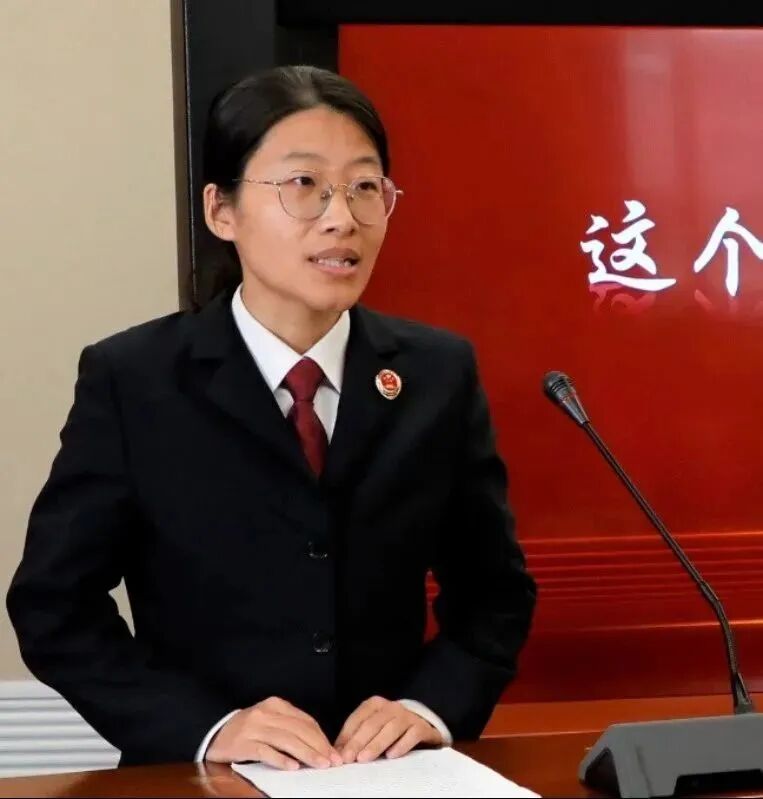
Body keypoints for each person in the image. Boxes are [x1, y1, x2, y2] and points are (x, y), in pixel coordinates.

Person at [6, 65, 537, 771]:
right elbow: (54, 605)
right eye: (304, 184)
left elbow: (493, 593)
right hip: (202, 777)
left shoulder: (436, 373)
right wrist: (205, 728)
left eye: (364, 186)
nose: (341, 217)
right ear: (221, 211)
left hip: (386, 775)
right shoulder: (135, 380)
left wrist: (428, 706)